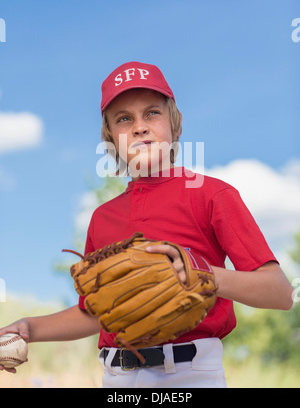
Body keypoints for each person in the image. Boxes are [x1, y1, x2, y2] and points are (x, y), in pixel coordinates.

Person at [0, 61, 293, 388]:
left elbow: (280, 293)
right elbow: (95, 313)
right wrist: (28, 327)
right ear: (110, 137)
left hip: (188, 376)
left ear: (175, 125)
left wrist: (207, 274)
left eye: (152, 113)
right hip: (116, 379)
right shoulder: (102, 218)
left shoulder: (212, 195)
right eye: (123, 119)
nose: (139, 127)